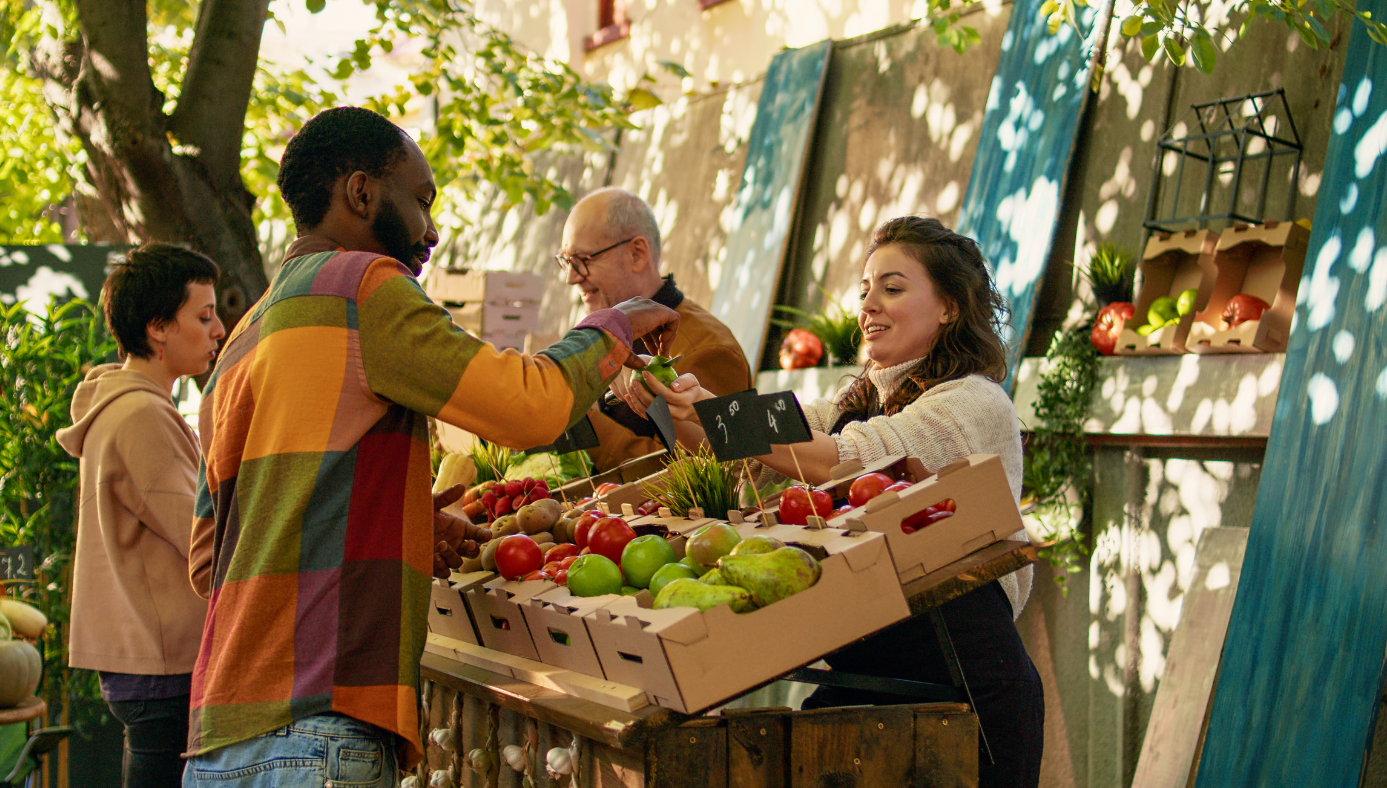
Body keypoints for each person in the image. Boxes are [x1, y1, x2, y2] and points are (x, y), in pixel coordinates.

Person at [181, 107, 679, 787]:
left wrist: (409, 524)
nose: (432, 230)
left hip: (220, 740)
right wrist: (609, 326)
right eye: (420, 201)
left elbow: (213, 559)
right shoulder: (364, 287)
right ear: (360, 193)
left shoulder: (241, 340)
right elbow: (529, 405)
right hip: (324, 721)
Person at [639, 216, 1042, 788]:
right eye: (865, 290)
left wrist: (712, 411)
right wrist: (675, 403)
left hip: (966, 692)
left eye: (892, 289)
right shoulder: (856, 399)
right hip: (870, 679)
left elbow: (848, 457)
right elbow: (770, 435)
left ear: (950, 307)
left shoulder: (974, 403)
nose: (868, 305)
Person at [56, 243, 226, 788]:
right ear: (157, 328)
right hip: (162, 661)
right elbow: (202, 535)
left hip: (147, 659)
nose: (219, 330)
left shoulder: (130, 406)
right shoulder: (141, 415)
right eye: (203, 316)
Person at [558, 187, 751, 471]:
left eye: (583, 261)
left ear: (637, 253)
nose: (571, 278)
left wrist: (583, 423)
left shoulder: (708, 348)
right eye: (565, 261)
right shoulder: (609, 333)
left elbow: (709, 474)